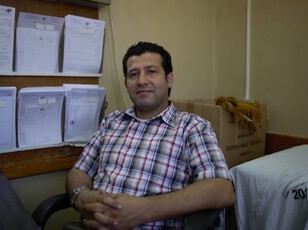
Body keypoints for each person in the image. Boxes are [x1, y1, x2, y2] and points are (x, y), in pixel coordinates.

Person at [66, 41, 235, 230]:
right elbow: (79, 171)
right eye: (133, 74)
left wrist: (144, 210)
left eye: (151, 71)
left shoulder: (191, 127)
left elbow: (222, 189)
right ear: (126, 83)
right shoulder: (111, 122)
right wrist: (81, 196)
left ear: (169, 79)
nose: (141, 81)